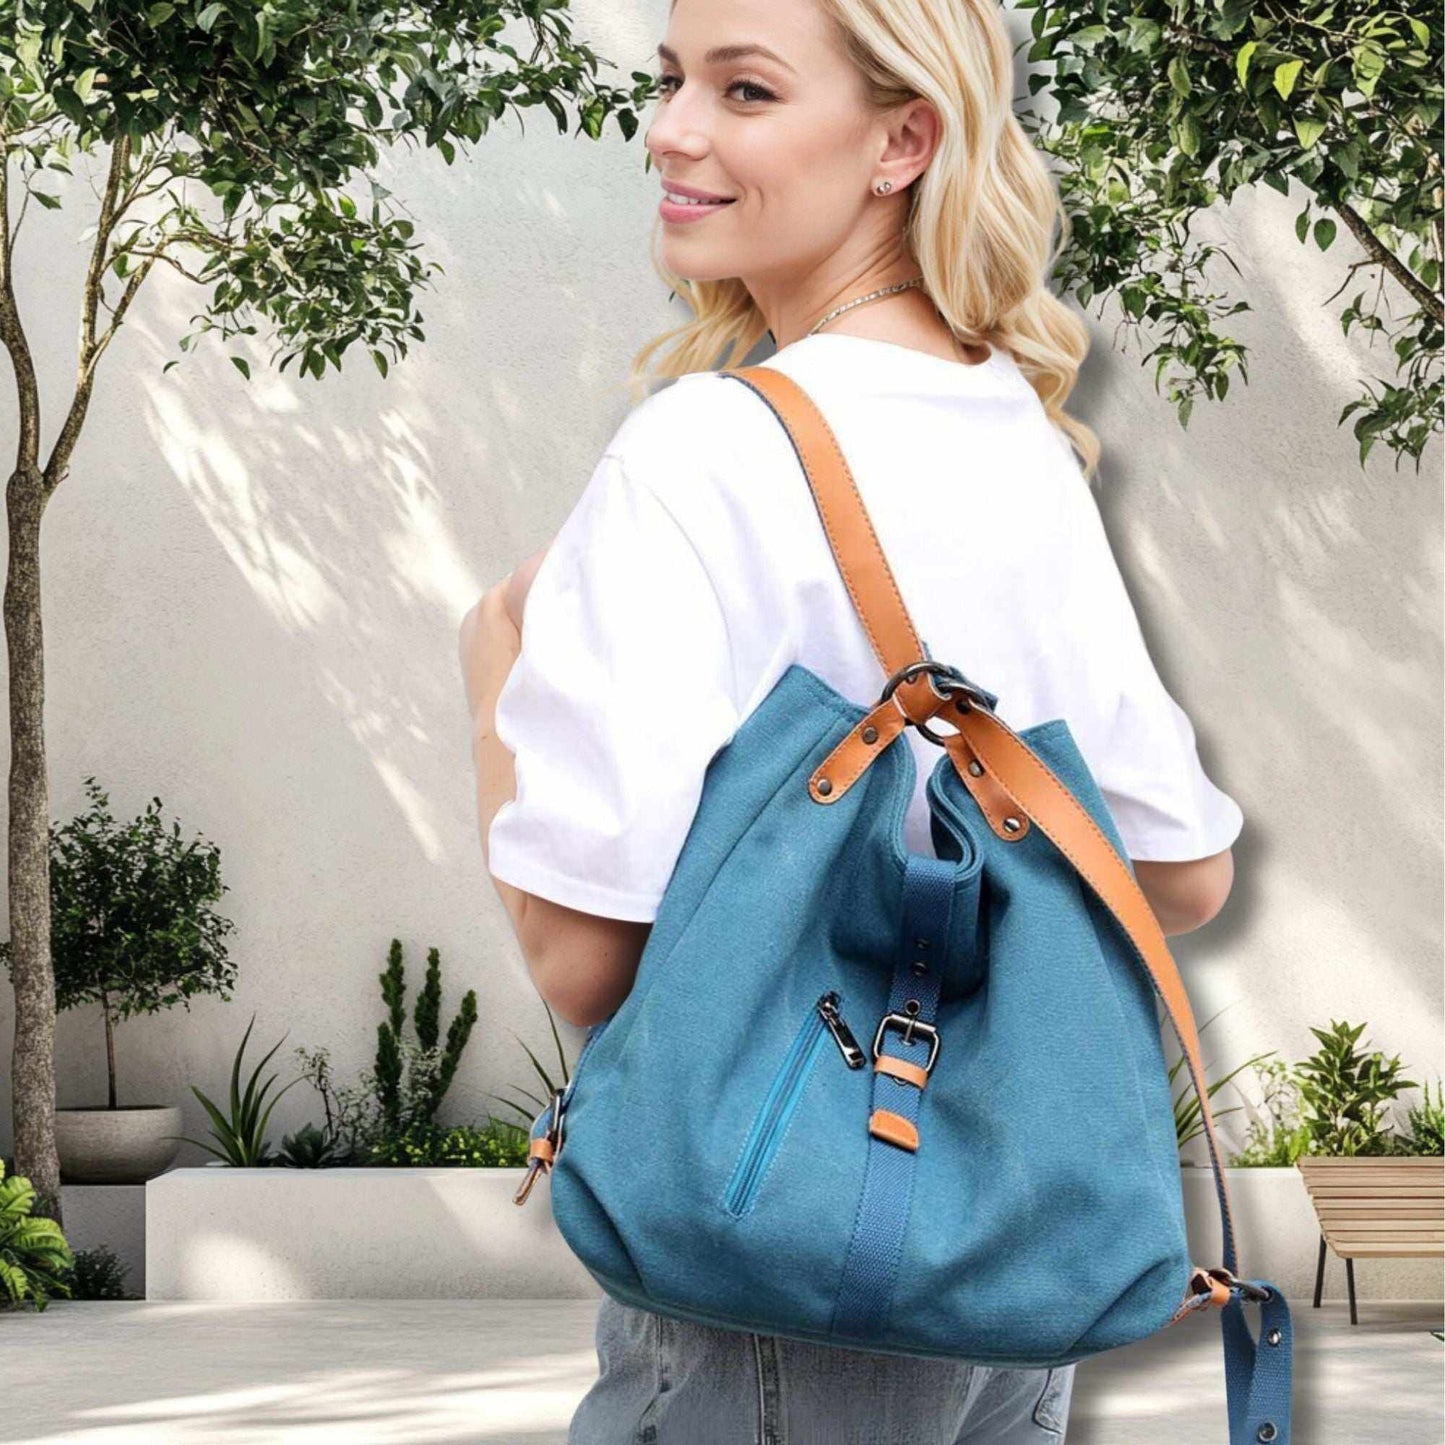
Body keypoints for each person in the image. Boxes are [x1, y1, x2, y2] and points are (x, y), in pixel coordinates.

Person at [458, 0, 1244, 1439]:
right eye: (674, 79)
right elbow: (1180, 874)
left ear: (904, 138)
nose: (673, 131)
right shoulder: (1012, 427)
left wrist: (490, 670)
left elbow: (583, 960)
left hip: (774, 1287)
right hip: (1001, 1283)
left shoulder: (699, 448)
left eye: (745, 91)